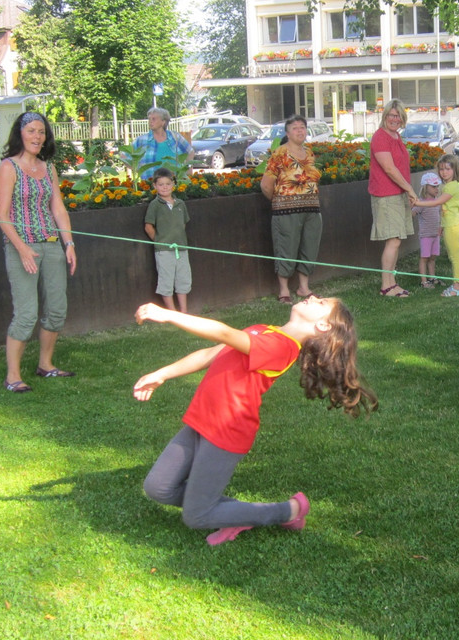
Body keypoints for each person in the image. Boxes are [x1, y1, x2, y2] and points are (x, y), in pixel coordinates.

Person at [132, 297, 377, 546]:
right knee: (158, 487)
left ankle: (289, 511)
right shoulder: (265, 330)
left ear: (323, 325)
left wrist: (169, 315)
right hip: (201, 421)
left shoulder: (283, 348)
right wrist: (162, 374)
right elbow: (210, 354)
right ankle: (230, 512)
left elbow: (224, 333)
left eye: (322, 303)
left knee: (197, 516)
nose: (313, 297)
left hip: (225, 433)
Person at [0, 111, 78, 393]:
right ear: (20, 134)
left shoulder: (48, 167)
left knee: (57, 310)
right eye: (31, 130)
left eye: (41, 131)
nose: (37, 136)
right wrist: (22, 248)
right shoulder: (9, 167)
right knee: (26, 314)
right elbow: (2, 215)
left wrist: (69, 244)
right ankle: (12, 376)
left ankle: (45, 364)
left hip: (52, 244)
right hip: (21, 247)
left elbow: (58, 209)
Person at [260, 114, 322, 303]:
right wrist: (279, 202)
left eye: (302, 127)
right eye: (295, 128)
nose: (300, 131)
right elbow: (266, 184)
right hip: (286, 211)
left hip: (311, 210)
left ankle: (304, 287)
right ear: (287, 133)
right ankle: (284, 290)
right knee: (286, 248)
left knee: (309, 247)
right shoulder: (279, 153)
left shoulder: (309, 153)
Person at [369, 99, 418, 297]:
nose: (394, 119)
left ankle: (392, 283)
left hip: (398, 193)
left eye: (398, 116)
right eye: (391, 115)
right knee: (394, 240)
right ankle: (386, 286)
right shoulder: (380, 137)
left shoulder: (396, 136)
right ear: (385, 116)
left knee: (396, 240)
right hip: (386, 194)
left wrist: (406, 190)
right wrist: (410, 189)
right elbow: (389, 168)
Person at [412, 155, 459, 297]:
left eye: (448, 169)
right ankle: (457, 284)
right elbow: (443, 208)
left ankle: (457, 287)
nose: (444, 172)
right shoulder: (447, 186)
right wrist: (441, 225)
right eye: (441, 169)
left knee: (454, 257)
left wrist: (418, 203)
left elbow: (437, 202)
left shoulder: (451, 187)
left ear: (455, 170)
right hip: (450, 224)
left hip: (453, 226)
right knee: (453, 256)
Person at [144, 167, 192, 313]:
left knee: (183, 279)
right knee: (166, 280)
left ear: (173, 185)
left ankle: (183, 311)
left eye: (167, 184)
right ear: (155, 186)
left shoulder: (180, 204)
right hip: (164, 250)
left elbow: (183, 224)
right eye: (161, 184)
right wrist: (160, 241)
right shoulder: (155, 205)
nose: (164, 187)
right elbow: (148, 227)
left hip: (181, 248)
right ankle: (172, 312)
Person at [132, 107, 193, 181]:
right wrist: (139, 170)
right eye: (149, 119)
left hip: (175, 184)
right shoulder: (142, 140)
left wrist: (188, 171)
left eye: (154, 119)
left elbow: (190, 152)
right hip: (151, 184)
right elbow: (124, 156)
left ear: (163, 121)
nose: (150, 121)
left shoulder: (175, 137)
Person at [412, 171, 442, 288]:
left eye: (437, 186)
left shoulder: (437, 201)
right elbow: (413, 213)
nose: (436, 189)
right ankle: (424, 281)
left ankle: (432, 277)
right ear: (425, 187)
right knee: (424, 258)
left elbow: (439, 215)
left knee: (433, 257)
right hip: (426, 235)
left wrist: (440, 228)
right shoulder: (421, 203)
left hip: (436, 234)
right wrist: (411, 206)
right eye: (433, 186)